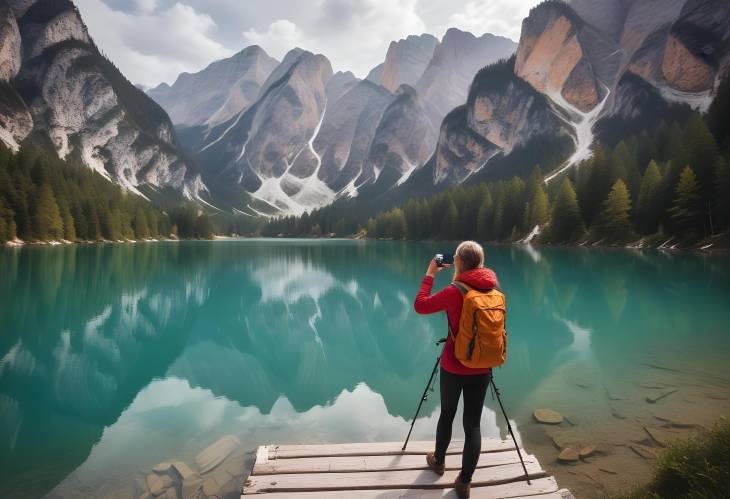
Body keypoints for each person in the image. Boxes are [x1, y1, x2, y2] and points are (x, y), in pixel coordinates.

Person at [413, 240, 499, 499]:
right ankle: (464, 482)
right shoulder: (493, 288)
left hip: (454, 365)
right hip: (483, 366)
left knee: (447, 415)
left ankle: (439, 462)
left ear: (458, 262)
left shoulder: (455, 290)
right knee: (473, 424)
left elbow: (421, 305)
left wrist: (429, 274)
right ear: (481, 263)